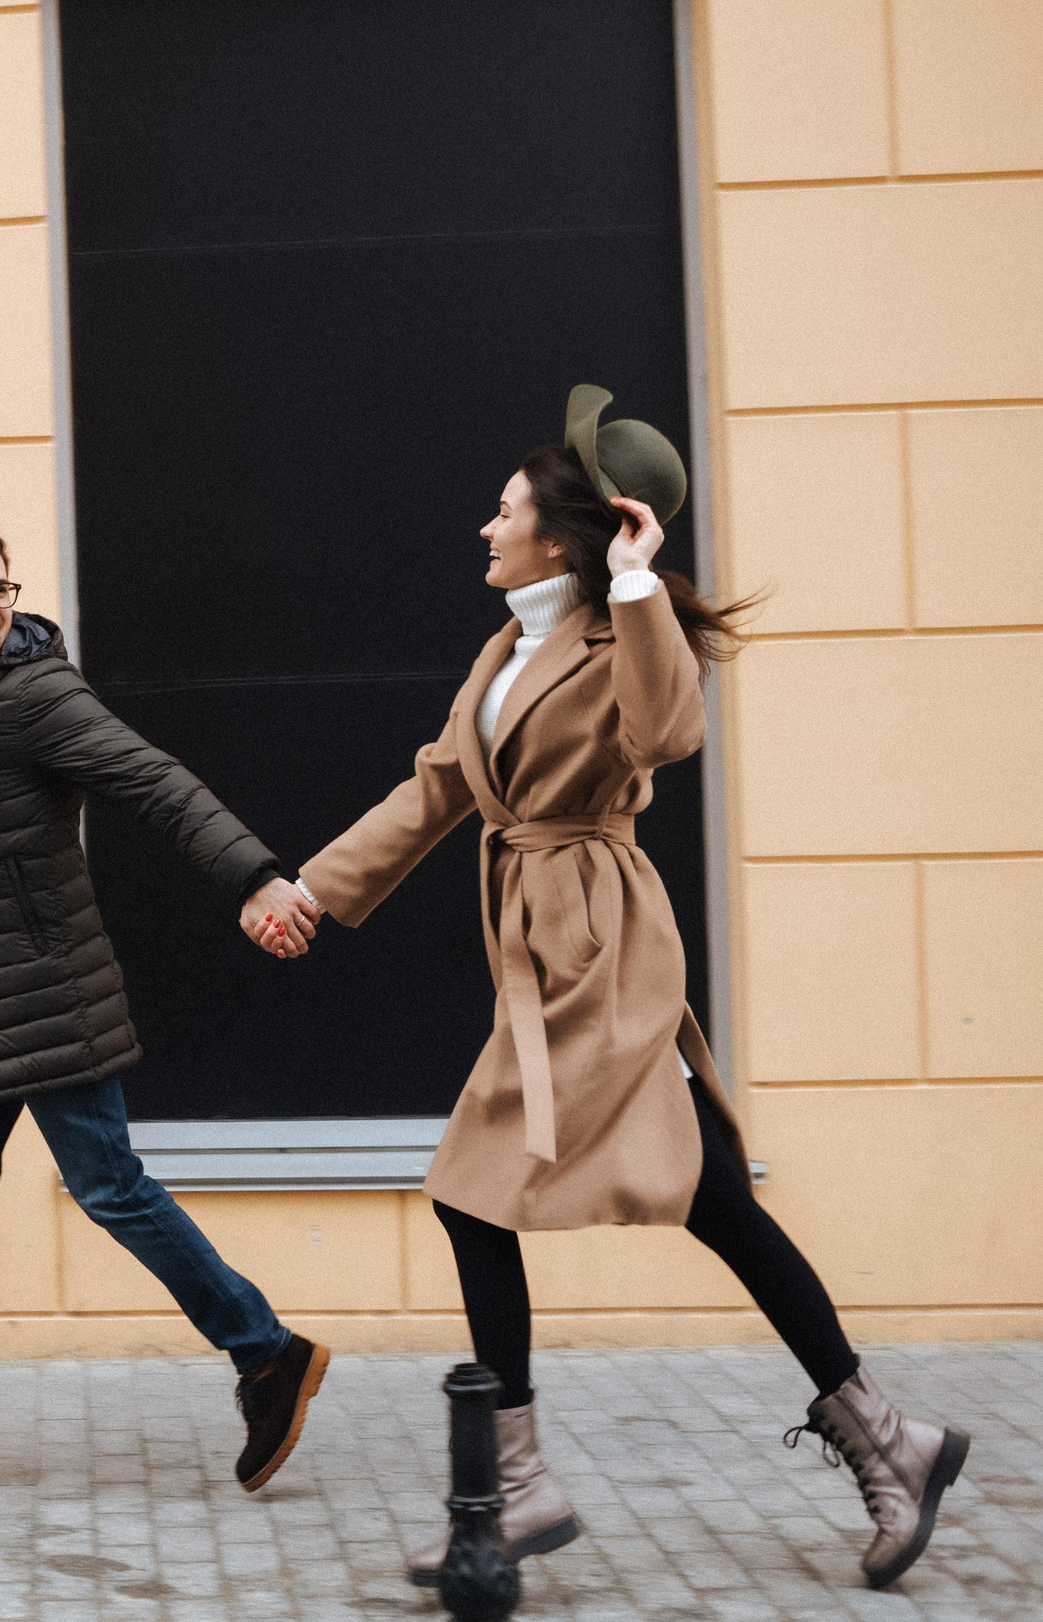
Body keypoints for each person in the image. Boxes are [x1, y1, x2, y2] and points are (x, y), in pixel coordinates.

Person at [295, 386, 970, 1591]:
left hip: (599, 945)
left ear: (565, 533)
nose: (483, 527)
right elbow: (441, 786)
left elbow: (667, 732)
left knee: (470, 1188)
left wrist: (642, 581)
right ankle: (887, 1437)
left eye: (503, 511)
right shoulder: (507, 646)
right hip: (541, 942)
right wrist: (315, 888)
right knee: (712, 1195)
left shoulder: (620, 639)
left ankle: (516, 1484)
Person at [0, 519, 329, 1488]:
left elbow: (153, 780)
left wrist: (252, 875)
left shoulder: (34, 694)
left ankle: (265, 1350)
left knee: (110, 1188)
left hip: (47, 994)